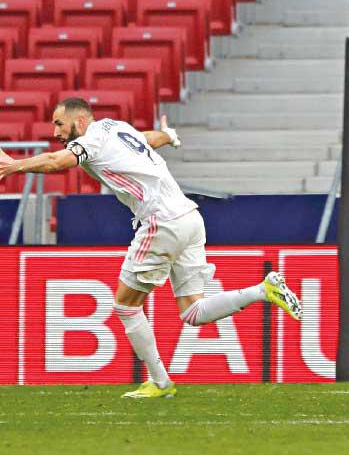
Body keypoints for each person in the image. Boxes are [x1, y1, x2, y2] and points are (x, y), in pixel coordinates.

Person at [0, 98, 302, 398]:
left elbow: (56, 162)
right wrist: (169, 137)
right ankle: (263, 290)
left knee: (126, 305)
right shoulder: (115, 127)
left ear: (79, 121)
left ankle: (159, 382)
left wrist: (13, 166)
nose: (55, 131)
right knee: (193, 312)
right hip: (190, 217)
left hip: (162, 222)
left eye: (58, 123)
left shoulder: (91, 139)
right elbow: (146, 138)